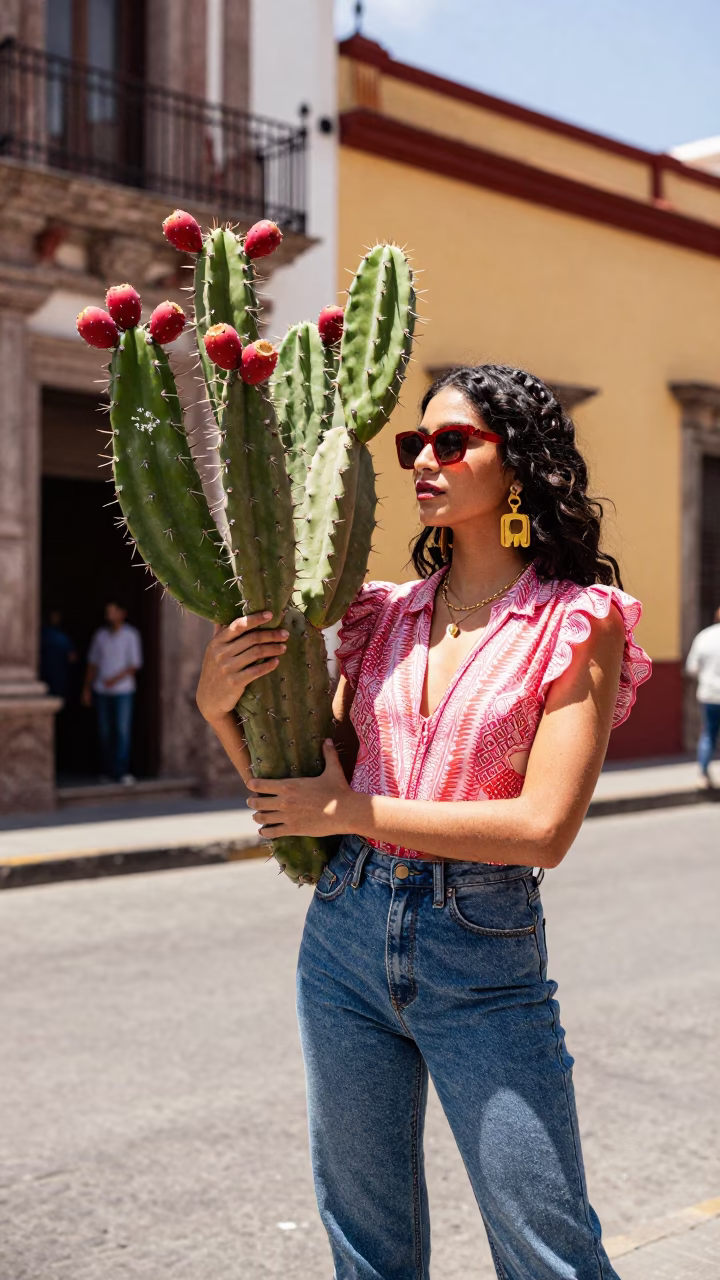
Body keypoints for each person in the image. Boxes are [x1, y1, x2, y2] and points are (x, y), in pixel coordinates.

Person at [196, 364, 652, 1280]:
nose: (423, 461)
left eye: (453, 442)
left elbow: (544, 829)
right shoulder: (379, 615)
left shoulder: (575, 621)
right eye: (415, 444)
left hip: (480, 948)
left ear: (517, 464)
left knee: (548, 1252)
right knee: (367, 1249)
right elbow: (302, 794)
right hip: (343, 936)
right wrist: (215, 709)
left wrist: (352, 809)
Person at [82, 602, 143, 784]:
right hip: (101, 690)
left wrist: (114, 680)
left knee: (122, 731)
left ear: (122, 613)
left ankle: (121, 771)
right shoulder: (100, 636)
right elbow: (92, 663)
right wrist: (86, 688)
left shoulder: (131, 635)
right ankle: (107, 771)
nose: (110, 616)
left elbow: (134, 665)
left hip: (123, 690)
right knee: (105, 732)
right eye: (107, 612)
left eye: (113, 612)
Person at [685, 605, 720, 786]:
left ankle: (704, 774)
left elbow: (692, 668)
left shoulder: (704, 637)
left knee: (708, 734)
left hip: (709, 695)